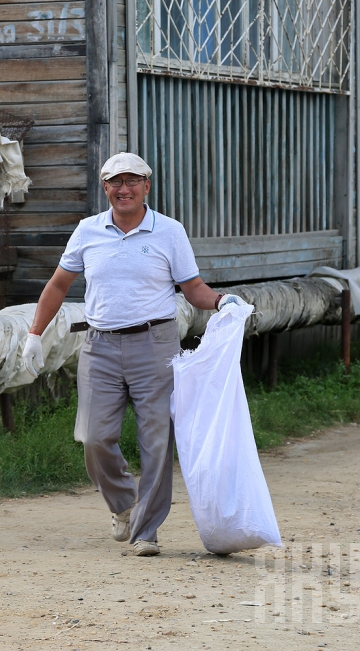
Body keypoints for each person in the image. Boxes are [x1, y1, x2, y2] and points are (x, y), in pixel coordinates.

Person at [21, 152, 243, 556]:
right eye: (115, 182)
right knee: (93, 436)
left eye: (132, 181)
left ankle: (146, 532)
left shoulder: (169, 232)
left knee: (156, 441)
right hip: (100, 346)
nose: (124, 189)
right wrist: (34, 333)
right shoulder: (88, 231)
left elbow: (192, 289)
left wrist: (221, 301)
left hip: (155, 345)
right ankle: (123, 502)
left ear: (147, 186)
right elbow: (57, 285)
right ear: (105, 188)